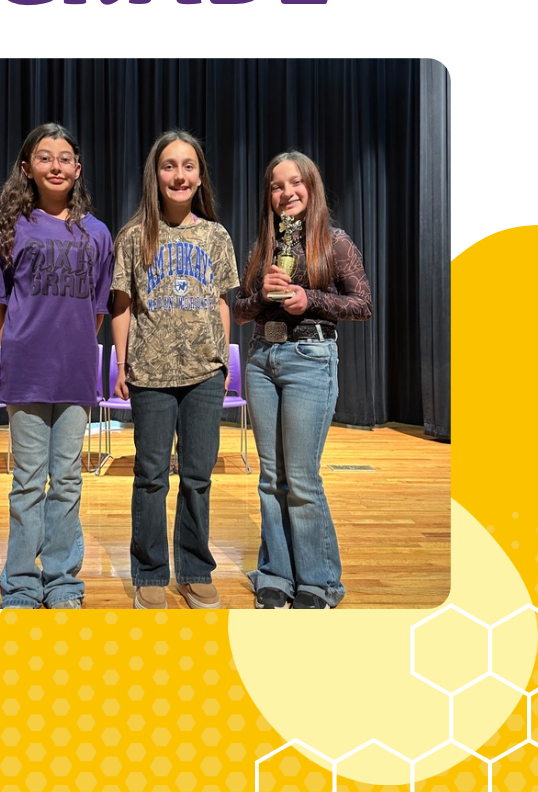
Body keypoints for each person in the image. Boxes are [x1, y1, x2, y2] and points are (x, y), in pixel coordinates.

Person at [234, 151, 372, 610]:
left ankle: (317, 581)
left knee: (301, 478)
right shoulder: (262, 246)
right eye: (277, 186)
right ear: (268, 196)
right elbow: (237, 309)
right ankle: (275, 573)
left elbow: (363, 304)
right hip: (261, 358)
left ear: (311, 188)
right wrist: (261, 293)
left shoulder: (334, 242)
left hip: (310, 357)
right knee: (270, 478)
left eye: (295, 183)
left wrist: (306, 298)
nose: (287, 192)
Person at [111, 131, 239, 610]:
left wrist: (223, 358)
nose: (179, 175)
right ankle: (148, 570)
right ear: (155, 174)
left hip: (205, 374)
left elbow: (221, 301)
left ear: (199, 175)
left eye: (188, 166)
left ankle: (194, 569)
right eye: (169, 165)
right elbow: (121, 305)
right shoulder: (133, 235)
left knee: (198, 474)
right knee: (150, 475)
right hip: (151, 375)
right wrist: (121, 363)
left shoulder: (215, 235)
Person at [0, 123, 113, 610]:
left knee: (66, 480)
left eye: (65, 158)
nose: (55, 166)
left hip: (76, 374)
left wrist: (73, 347)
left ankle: (62, 581)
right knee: (26, 481)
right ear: (27, 168)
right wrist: (21, 348)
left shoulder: (96, 233)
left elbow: (98, 309)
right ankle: (20, 582)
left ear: (77, 169)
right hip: (26, 374)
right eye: (45, 157)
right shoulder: (10, 229)